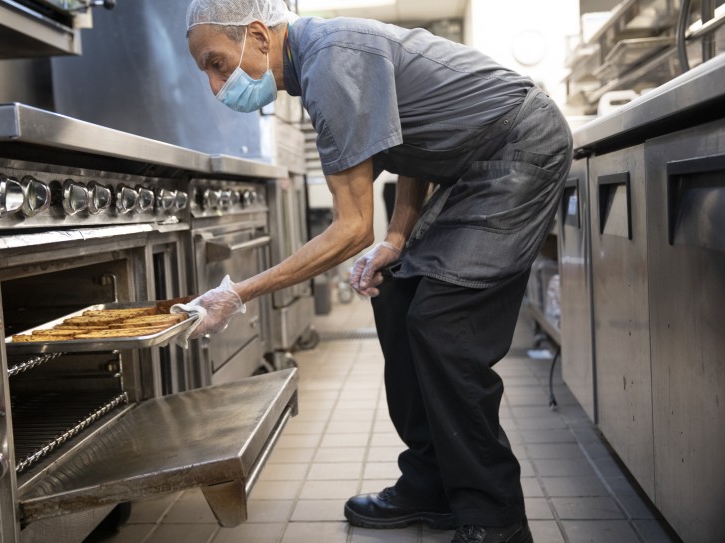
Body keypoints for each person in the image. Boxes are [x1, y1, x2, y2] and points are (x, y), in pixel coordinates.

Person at [180, 1, 572, 542]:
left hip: (518, 148)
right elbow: (413, 144)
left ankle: (494, 518)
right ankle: (431, 484)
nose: (216, 85)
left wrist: (237, 293)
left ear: (256, 35)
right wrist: (396, 240)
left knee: (444, 326)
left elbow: (349, 229)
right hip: (469, 160)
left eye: (217, 63)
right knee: (397, 296)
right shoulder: (318, 61)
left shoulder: (329, 63)